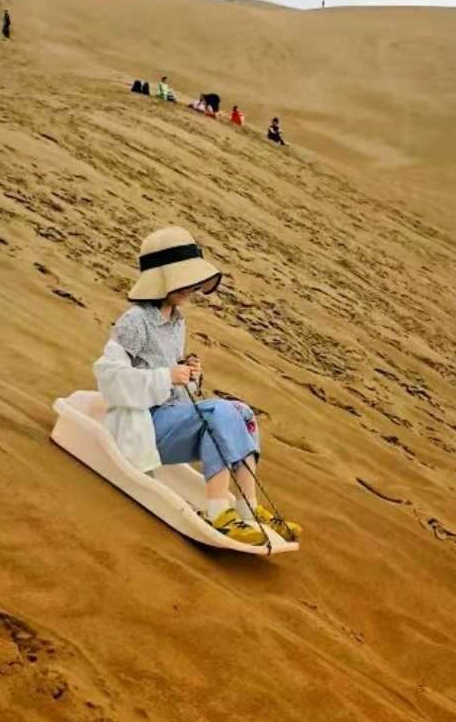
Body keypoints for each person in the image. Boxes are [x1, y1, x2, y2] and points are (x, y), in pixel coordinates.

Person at [92, 227, 300, 544]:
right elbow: (108, 379)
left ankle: (248, 508)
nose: (191, 288)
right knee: (217, 411)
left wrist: (190, 374)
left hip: (169, 418)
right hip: (140, 426)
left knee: (241, 411)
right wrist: (166, 376)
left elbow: (173, 380)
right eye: (184, 281)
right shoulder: (134, 321)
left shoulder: (177, 320)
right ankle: (219, 512)